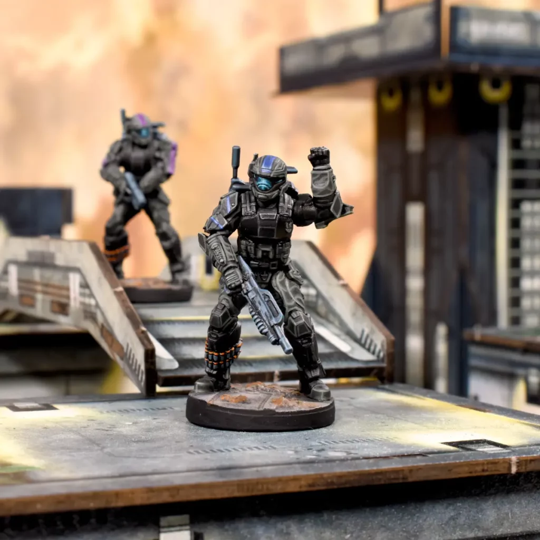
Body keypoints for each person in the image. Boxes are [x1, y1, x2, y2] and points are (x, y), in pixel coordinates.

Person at [196, 147, 353, 401]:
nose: (262, 187)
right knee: (220, 317)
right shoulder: (239, 200)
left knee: (298, 322)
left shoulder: (290, 203)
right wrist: (230, 268)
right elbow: (214, 234)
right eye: (258, 181)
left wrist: (322, 169)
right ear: (251, 178)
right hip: (244, 272)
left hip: (278, 273)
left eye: (268, 183)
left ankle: (311, 378)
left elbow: (326, 210)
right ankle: (216, 376)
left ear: (280, 183)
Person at [100, 111, 184, 281]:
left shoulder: (159, 144)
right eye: (141, 132)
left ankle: (178, 270)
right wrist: (122, 183)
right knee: (113, 226)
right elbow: (107, 167)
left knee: (165, 229)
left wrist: (144, 185)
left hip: (151, 192)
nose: (145, 135)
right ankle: (115, 269)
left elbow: (163, 169)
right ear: (132, 133)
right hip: (129, 192)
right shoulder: (122, 146)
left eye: (147, 131)